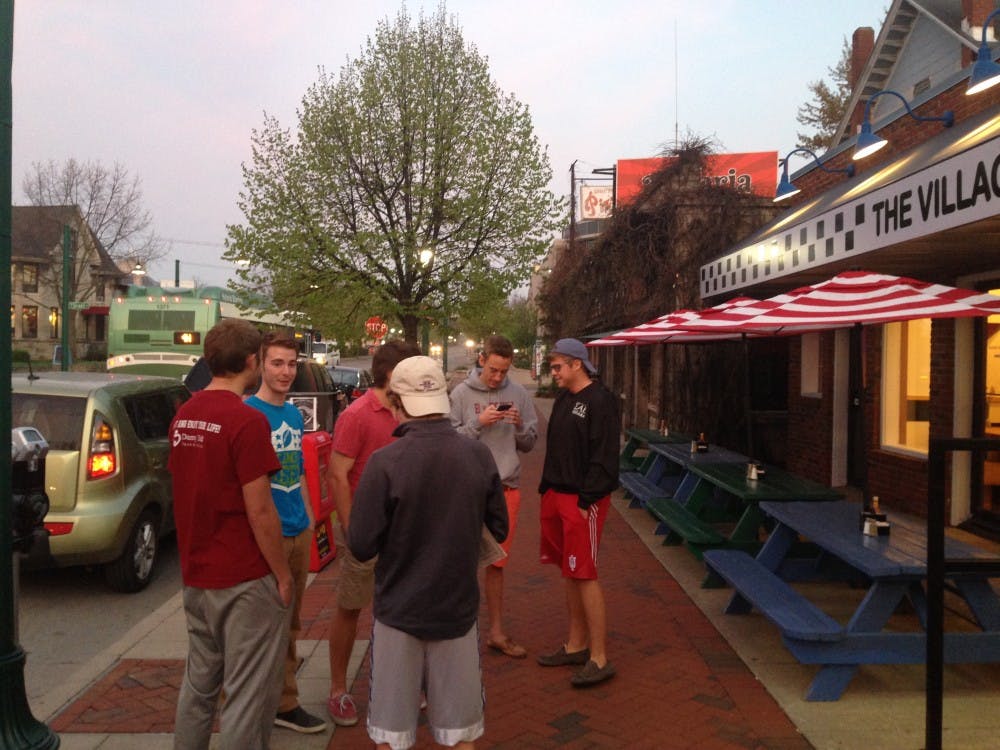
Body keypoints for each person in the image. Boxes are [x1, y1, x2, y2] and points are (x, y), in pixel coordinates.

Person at [349, 355, 509, 750]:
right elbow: (499, 528)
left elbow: (361, 544)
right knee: (460, 734)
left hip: (398, 610)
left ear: (396, 402)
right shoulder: (477, 455)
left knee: (391, 735)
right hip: (456, 609)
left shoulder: (385, 462)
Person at [168, 318, 293, 750]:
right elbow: (260, 509)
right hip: (243, 577)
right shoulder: (246, 422)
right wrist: (282, 574)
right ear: (252, 361)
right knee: (247, 694)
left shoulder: (184, 416)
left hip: (197, 574)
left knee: (199, 685)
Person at [326, 339, 421, 726]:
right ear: (391, 374)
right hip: (366, 530)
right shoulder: (357, 415)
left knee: (404, 609)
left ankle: (404, 683)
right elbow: (337, 474)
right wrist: (353, 530)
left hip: (404, 532)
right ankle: (337, 689)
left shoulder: (411, 411)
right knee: (350, 607)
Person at [245, 333, 327, 735]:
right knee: (259, 627)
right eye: (277, 363)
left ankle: (285, 702)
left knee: (291, 623)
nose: (286, 372)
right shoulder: (249, 414)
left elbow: (299, 469)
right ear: (260, 364)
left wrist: (309, 517)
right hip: (267, 537)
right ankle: (251, 705)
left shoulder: (294, 416)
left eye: (292, 364)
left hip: (298, 530)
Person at [536, 338, 620, 687]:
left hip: (582, 501)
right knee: (569, 571)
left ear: (576, 364)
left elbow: (605, 456)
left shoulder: (601, 400)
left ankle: (599, 657)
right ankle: (576, 644)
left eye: (557, 366)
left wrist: (587, 500)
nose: (553, 372)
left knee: (584, 573)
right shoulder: (563, 399)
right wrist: (546, 489)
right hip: (556, 494)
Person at [449, 334, 537, 658]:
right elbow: (448, 441)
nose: (498, 377)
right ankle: (456, 632)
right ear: (482, 360)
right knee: (460, 562)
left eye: (504, 371)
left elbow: (530, 443)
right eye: (493, 370)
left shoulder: (518, 393)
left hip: (506, 488)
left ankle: (496, 632)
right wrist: (479, 422)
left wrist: (519, 426)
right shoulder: (460, 393)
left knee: (497, 563)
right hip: (467, 489)